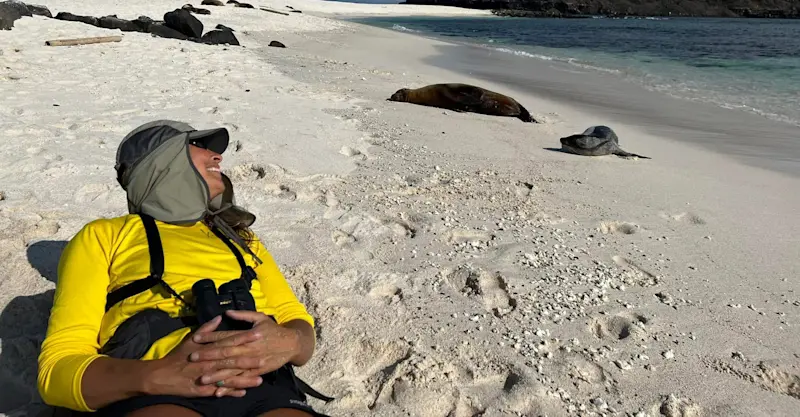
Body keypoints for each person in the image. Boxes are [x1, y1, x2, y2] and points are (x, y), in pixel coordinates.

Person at [36, 120, 331, 417]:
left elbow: (297, 324)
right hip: (158, 388)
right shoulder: (105, 235)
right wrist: (155, 376)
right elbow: (57, 370)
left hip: (264, 385)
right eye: (198, 145)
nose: (218, 157)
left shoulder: (241, 239)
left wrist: (290, 342)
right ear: (161, 162)